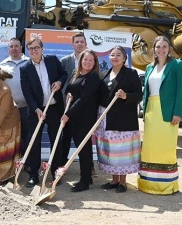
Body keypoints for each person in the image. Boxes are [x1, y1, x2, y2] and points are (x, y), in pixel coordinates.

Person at [20, 37, 68, 187]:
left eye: (36, 48)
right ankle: (33, 175)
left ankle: (54, 172)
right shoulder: (25, 68)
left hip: (54, 108)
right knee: (34, 142)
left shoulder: (52, 60)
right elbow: (27, 93)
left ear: (42, 48)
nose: (33, 51)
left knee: (56, 141)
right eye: (31, 49)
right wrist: (36, 109)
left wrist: (60, 82)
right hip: (37, 111)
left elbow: (64, 74)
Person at [138, 36, 182, 195]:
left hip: (168, 112)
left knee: (165, 148)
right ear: (154, 49)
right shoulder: (149, 67)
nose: (161, 49)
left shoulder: (177, 65)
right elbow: (147, 92)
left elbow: (180, 90)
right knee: (150, 148)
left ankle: (165, 185)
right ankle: (147, 183)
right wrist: (145, 112)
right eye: (158, 47)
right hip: (151, 112)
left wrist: (178, 112)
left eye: (165, 46)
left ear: (169, 49)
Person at [96, 46, 142, 193]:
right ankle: (114, 180)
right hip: (106, 119)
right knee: (111, 151)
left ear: (124, 58)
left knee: (122, 152)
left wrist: (126, 96)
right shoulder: (104, 74)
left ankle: (123, 182)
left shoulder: (131, 73)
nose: (115, 57)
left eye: (118, 55)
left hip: (123, 120)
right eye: (112, 55)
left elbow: (139, 95)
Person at [61, 49, 100, 192]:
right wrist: (69, 95)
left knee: (83, 148)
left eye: (91, 60)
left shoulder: (93, 77)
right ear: (80, 60)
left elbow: (84, 99)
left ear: (94, 62)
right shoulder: (75, 74)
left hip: (85, 117)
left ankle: (84, 181)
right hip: (74, 116)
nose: (88, 62)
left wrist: (67, 115)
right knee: (81, 146)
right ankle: (87, 177)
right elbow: (70, 90)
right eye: (85, 59)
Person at [0, 38, 30, 156]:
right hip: (10, 108)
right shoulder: (2, 65)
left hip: (27, 106)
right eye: (11, 46)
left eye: (16, 46)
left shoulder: (29, 62)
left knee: (27, 134)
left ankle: (26, 161)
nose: (14, 49)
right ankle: (13, 161)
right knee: (11, 135)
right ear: (8, 49)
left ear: (21, 47)